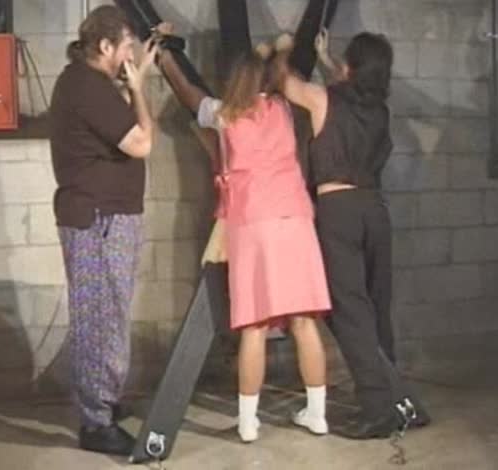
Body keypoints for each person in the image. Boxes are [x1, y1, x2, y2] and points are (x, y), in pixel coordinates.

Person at [158, 39, 331, 442]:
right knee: (304, 321)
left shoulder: (222, 115)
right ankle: (318, 414)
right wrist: (279, 50)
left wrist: (165, 59)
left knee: (254, 325)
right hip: (295, 218)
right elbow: (284, 76)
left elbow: (188, 94)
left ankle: (249, 422)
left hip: (252, 222)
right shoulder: (282, 110)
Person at [275, 31, 402, 439]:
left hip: (338, 211)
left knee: (349, 311)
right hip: (375, 210)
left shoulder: (321, 99)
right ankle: (396, 399)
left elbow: (286, 83)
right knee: (377, 308)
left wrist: (281, 50)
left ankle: (377, 408)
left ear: (350, 68)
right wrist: (328, 59)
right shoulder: (380, 111)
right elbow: (353, 90)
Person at [48, 5, 158, 456]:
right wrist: (139, 89)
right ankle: (96, 421)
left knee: (107, 313)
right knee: (99, 318)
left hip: (103, 216)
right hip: (98, 219)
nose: (131, 56)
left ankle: (104, 402)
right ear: (106, 45)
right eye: (127, 46)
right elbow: (142, 142)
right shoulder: (88, 86)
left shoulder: (89, 84)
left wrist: (129, 87)